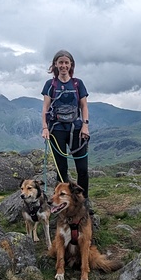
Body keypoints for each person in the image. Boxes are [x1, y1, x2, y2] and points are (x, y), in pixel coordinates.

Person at [41, 49, 90, 200]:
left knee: (82, 169)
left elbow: (84, 106)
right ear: (55, 65)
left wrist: (85, 125)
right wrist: (45, 128)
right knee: (61, 169)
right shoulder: (50, 85)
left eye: (66, 62)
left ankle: (83, 201)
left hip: (76, 129)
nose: (63, 66)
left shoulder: (77, 84)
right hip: (57, 130)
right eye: (60, 62)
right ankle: (62, 202)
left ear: (71, 65)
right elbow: (45, 108)